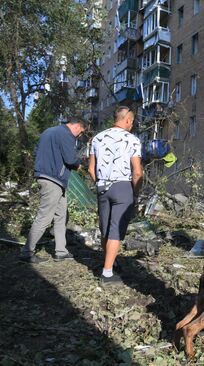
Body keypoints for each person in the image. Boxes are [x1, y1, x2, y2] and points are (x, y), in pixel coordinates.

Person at [88, 106, 143, 284]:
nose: (132, 125)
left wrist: (100, 183)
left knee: (105, 228)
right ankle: (107, 273)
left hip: (102, 186)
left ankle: (109, 262)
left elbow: (91, 169)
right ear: (127, 120)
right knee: (115, 231)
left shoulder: (97, 138)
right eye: (132, 122)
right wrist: (134, 194)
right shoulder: (132, 139)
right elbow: (137, 173)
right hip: (122, 187)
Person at [20, 118, 86, 263]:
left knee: (61, 215)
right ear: (76, 126)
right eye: (80, 132)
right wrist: (78, 165)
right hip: (53, 179)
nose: (79, 136)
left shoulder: (48, 131)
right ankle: (27, 252)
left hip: (48, 177)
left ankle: (61, 251)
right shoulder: (67, 135)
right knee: (45, 216)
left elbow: (36, 151)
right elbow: (70, 159)